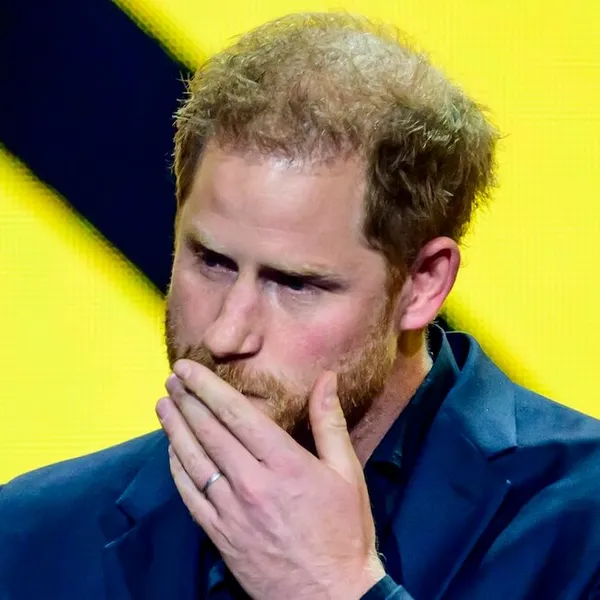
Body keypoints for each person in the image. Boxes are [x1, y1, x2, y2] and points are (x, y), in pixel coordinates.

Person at [1, 12, 599, 600]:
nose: (226, 334)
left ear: (422, 283)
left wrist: (336, 590)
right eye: (211, 261)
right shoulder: (27, 541)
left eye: (295, 284)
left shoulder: (582, 526)